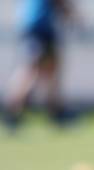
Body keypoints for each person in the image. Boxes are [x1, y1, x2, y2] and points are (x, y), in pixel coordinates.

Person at [3, 0, 76, 130]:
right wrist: (72, 15)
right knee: (30, 70)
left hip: (39, 28)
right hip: (38, 28)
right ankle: (12, 113)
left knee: (51, 69)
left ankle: (55, 111)